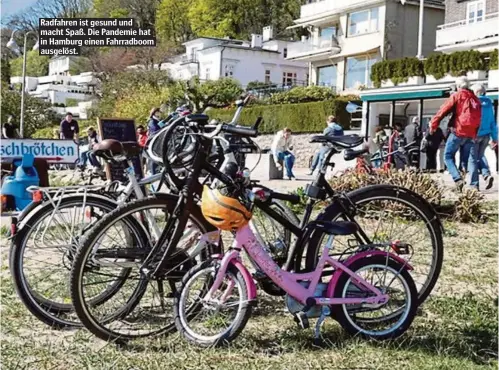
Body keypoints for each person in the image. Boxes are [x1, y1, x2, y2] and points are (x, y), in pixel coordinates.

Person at [429, 76, 481, 191]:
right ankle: (474, 185)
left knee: (447, 156)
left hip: (458, 131)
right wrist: (475, 134)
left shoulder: (457, 95)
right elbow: (479, 118)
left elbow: (443, 110)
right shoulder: (475, 99)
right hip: (471, 133)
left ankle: (458, 179)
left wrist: (433, 124)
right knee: (470, 160)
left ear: (458, 86)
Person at [471, 83, 497, 190]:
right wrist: (494, 138)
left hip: (475, 134)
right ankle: (486, 175)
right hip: (486, 135)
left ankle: (474, 184)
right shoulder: (489, 104)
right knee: (481, 155)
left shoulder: (474, 103)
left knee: (472, 158)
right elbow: (492, 122)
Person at [147, 108, 162, 174]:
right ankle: (153, 173)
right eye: (158, 112)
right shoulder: (152, 121)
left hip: (158, 141)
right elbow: (155, 131)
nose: (159, 113)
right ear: (154, 112)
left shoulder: (157, 120)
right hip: (154, 142)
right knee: (154, 158)